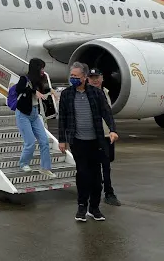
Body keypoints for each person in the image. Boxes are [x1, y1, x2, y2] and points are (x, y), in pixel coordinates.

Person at [58, 62, 118, 222]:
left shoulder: (96, 94)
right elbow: (62, 119)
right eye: (72, 76)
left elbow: (107, 112)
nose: (73, 79)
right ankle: (81, 207)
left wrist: (112, 130)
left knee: (97, 177)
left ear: (84, 78)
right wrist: (62, 140)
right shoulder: (66, 94)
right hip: (78, 141)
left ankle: (94, 208)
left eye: (76, 76)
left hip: (96, 141)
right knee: (83, 175)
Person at [13, 58, 56, 179]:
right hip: (23, 114)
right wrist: (33, 91)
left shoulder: (38, 81)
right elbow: (19, 89)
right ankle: (23, 163)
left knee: (44, 141)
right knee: (30, 142)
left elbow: (41, 91)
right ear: (35, 68)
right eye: (41, 68)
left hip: (35, 114)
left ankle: (45, 168)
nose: (43, 71)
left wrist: (50, 90)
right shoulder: (24, 79)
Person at [87, 68, 122, 206]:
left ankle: (103, 187)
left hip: (108, 134)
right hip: (94, 136)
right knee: (102, 165)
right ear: (87, 79)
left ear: (102, 78)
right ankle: (108, 192)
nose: (95, 80)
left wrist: (113, 130)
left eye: (97, 77)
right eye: (92, 77)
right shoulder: (86, 94)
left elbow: (108, 113)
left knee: (108, 161)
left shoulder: (106, 92)